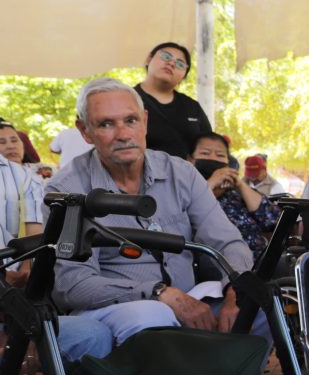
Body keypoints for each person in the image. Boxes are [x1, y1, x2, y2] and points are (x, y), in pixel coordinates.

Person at [46, 78, 255, 346]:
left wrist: (235, 292)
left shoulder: (180, 173)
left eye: (130, 120)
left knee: (257, 308)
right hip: (115, 306)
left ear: (144, 121)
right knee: (153, 315)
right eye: (106, 124)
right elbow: (72, 284)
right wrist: (160, 294)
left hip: (189, 296)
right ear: (85, 131)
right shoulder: (68, 189)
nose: (123, 134)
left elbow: (227, 241)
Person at [189, 132, 281, 262]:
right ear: (190, 159)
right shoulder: (185, 192)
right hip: (220, 268)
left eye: (220, 155)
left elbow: (272, 221)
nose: (213, 158)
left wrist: (240, 185)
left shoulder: (236, 192)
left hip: (262, 263)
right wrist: (210, 183)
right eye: (205, 153)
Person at [134, 42, 212, 159]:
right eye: (166, 57)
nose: (171, 63)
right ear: (149, 59)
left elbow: (210, 146)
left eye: (180, 64)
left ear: (184, 76)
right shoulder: (127, 99)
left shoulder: (192, 107)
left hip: (186, 176)